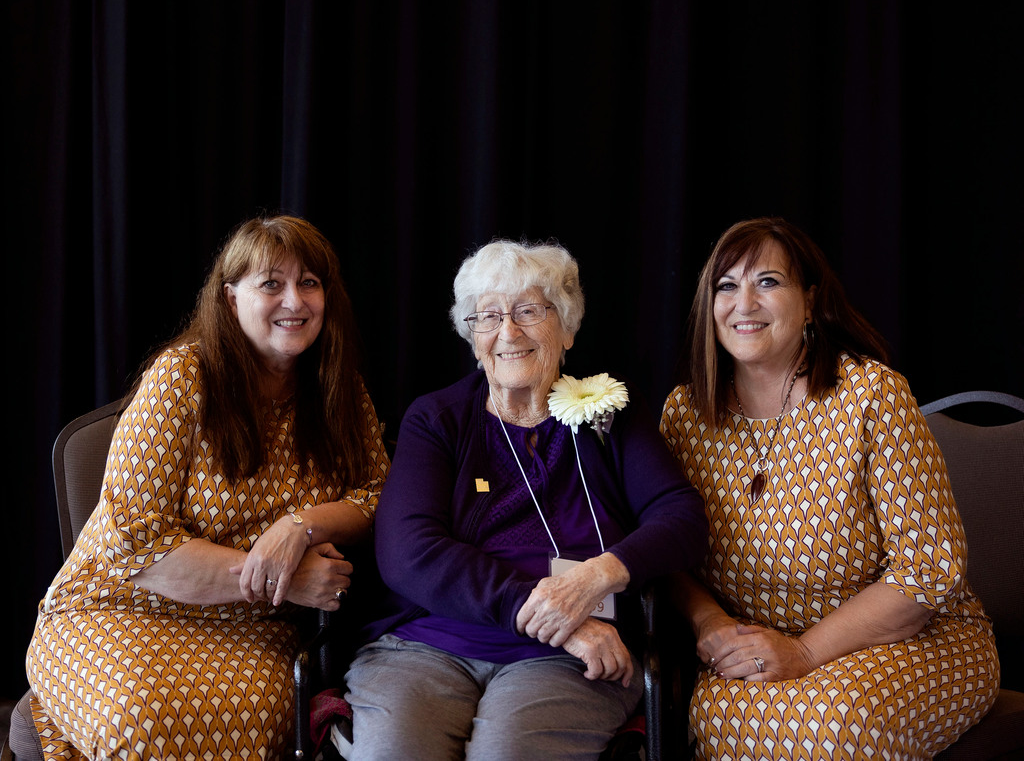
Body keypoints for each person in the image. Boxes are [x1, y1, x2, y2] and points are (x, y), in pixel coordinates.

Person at [26, 214, 391, 759]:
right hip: (119, 608)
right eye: (271, 283)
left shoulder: (337, 388)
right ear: (230, 298)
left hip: (252, 633)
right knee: (141, 720)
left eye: (309, 282)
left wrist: (299, 528)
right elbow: (141, 546)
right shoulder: (181, 377)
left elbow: (379, 496)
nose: (295, 299)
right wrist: (283, 580)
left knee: (245, 720)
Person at [342, 238, 708, 760]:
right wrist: (547, 614)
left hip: (570, 663)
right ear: (472, 340)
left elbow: (683, 519)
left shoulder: (610, 414)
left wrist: (598, 575)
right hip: (429, 645)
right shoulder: (437, 419)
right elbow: (408, 550)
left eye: (528, 311)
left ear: (568, 328)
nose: (508, 332)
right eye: (487, 317)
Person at [659, 217, 1000, 760]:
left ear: (810, 301)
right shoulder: (686, 413)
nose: (744, 302)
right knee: (723, 719)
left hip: (909, 642)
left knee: (835, 728)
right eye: (727, 285)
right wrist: (713, 625)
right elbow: (664, 552)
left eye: (768, 282)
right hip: (753, 656)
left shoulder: (872, 396)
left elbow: (929, 570)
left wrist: (804, 651)